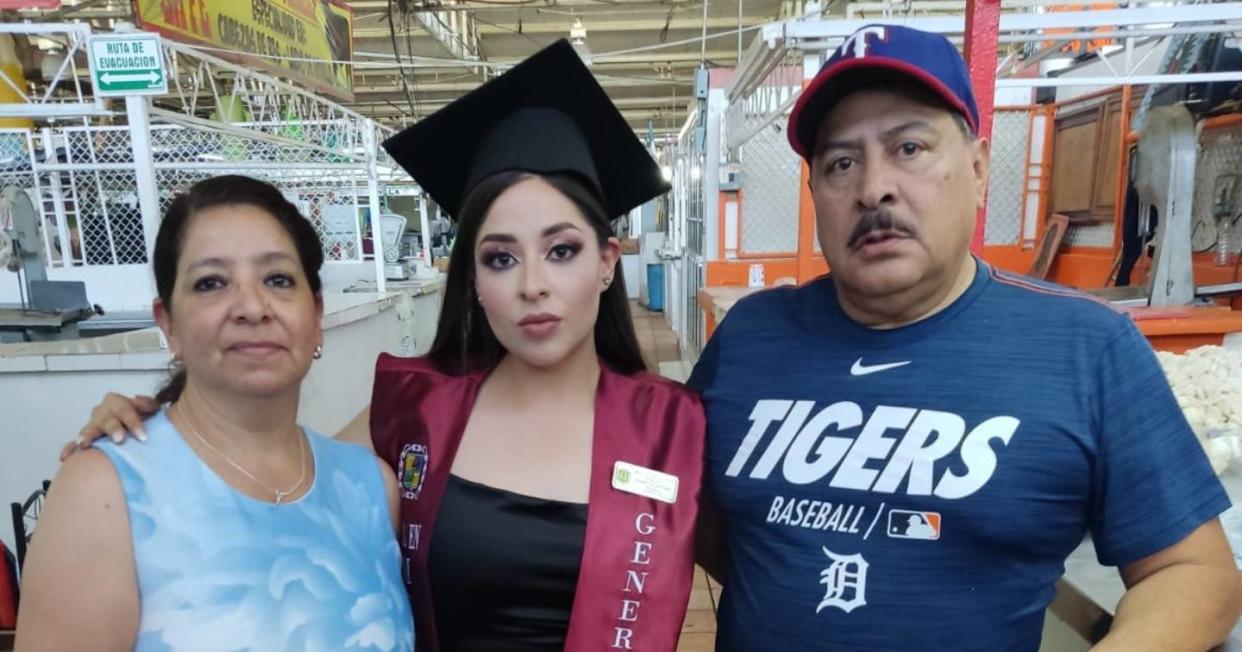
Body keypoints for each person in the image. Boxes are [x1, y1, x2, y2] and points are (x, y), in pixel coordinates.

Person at [64, 40, 705, 652]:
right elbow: (274, 480)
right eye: (500, 258)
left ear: (606, 262)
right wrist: (161, 430)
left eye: (562, 250)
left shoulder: (674, 427)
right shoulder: (416, 409)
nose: (533, 285)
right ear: (475, 281)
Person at [688, 24, 1241, 651]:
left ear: (978, 169)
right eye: (842, 162)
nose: (874, 188)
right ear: (816, 191)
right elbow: (700, 519)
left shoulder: (1086, 348)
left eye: (910, 148)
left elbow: (1196, 573)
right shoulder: (751, 337)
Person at [17, 176, 414, 651]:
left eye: (278, 279)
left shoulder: (371, 489)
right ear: (169, 324)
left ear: (316, 313)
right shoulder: (106, 494)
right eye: (211, 283)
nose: (251, 307)